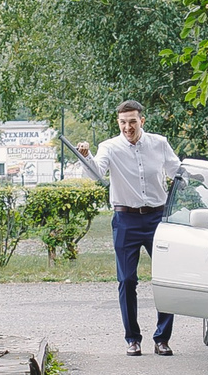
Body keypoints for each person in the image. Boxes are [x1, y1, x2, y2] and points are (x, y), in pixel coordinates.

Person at [73, 100, 182, 355]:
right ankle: (132, 339)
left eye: (132, 121)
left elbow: (178, 171)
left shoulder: (159, 143)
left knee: (165, 279)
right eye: (123, 122)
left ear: (142, 121)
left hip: (158, 219)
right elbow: (96, 173)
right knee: (126, 280)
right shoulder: (109, 147)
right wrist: (86, 156)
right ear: (118, 123)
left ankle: (162, 339)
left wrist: (202, 179)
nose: (128, 127)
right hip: (125, 220)